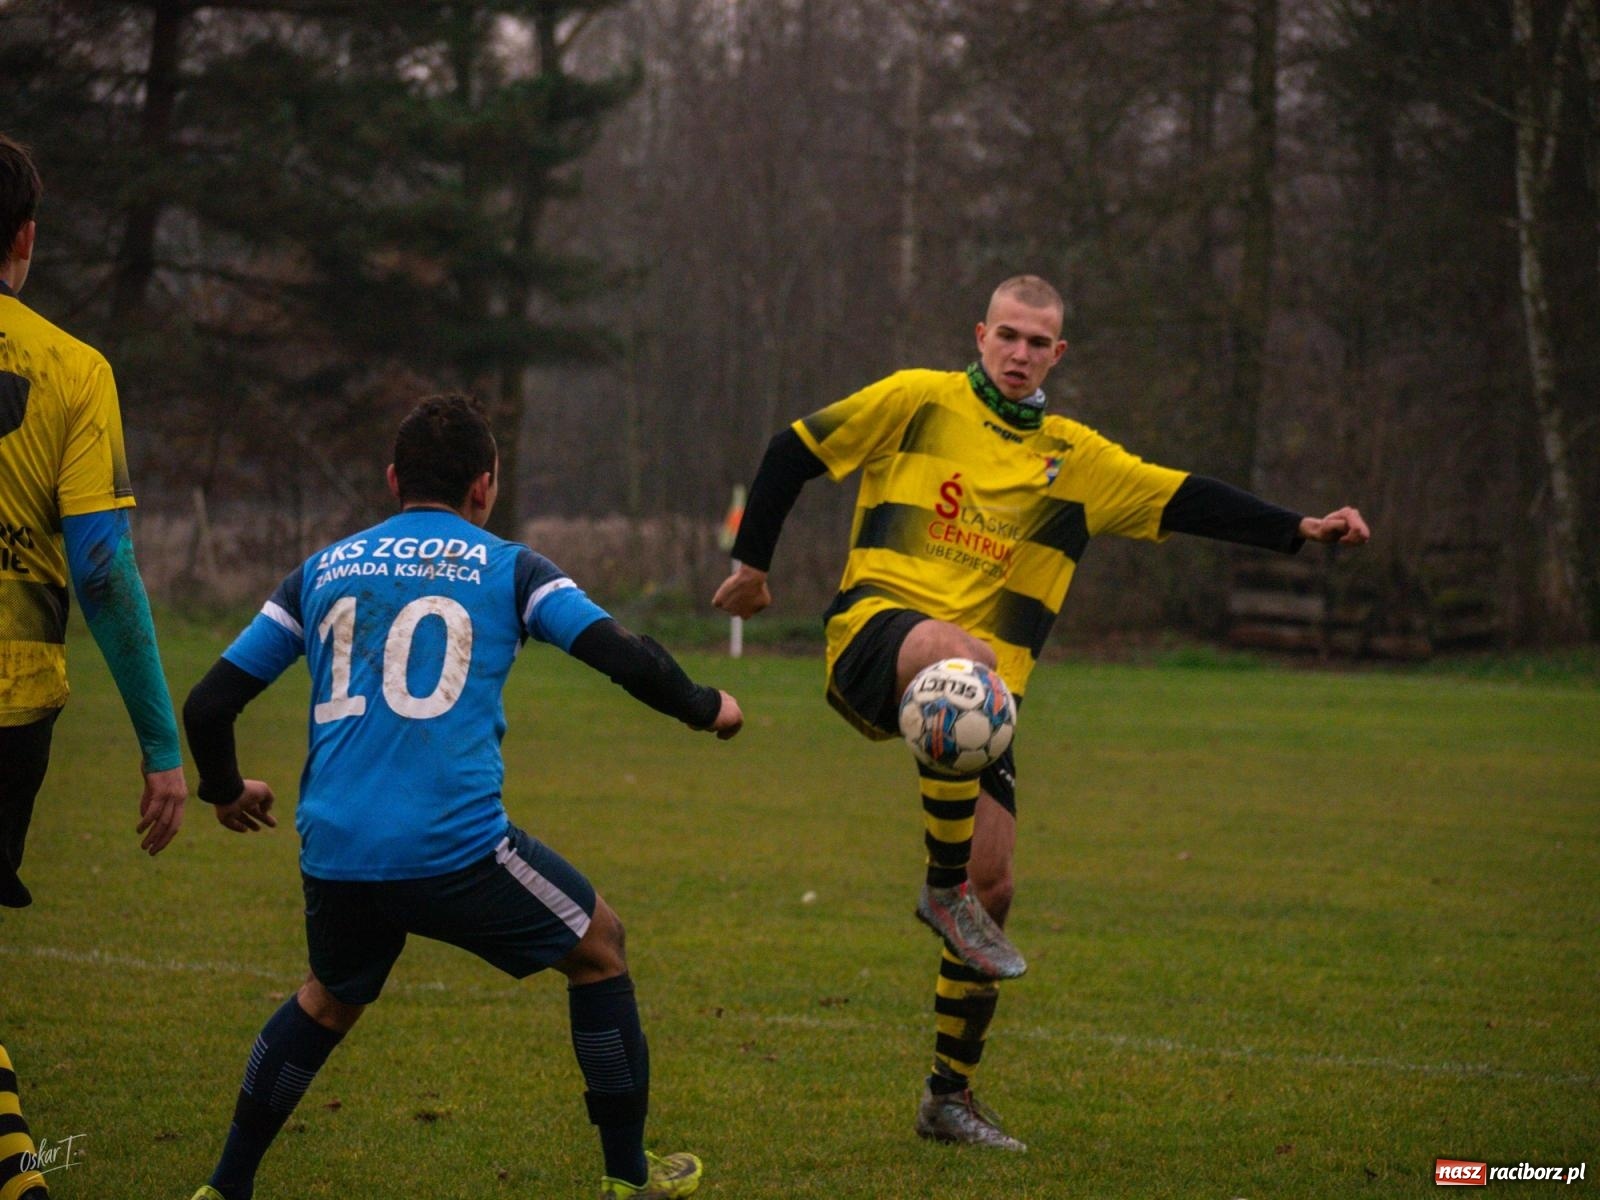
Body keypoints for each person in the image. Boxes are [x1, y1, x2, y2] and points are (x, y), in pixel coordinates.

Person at [712, 274, 1370, 1151]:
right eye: (1007, 336)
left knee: (1000, 884)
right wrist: (753, 566)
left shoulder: (1077, 459)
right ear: (980, 335)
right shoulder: (916, 402)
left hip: (981, 700)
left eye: (1038, 343)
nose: (1019, 354)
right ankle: (939, 890)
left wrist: (1301, 528)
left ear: (1058, 354)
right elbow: (791, 450)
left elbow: (1187, 499)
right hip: (878, 638)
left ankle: (948, 1096)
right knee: (963, 661)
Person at [182, 394, 741, 1200]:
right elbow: (622, 655)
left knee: (330, 998)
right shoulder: (509, 567)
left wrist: (227, 789)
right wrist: (707, 707)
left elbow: (208, 705)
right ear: (485, 487)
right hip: (454, 846)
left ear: (392, 480)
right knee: (600, 947)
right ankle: (630, 1178)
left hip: (334, 847)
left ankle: (225, 1187)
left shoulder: (322, 569)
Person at [0, 132, 187, 1200]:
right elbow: (105, 572)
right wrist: (162, 746)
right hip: (13, 704)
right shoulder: (74, 370)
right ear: (24, 240)